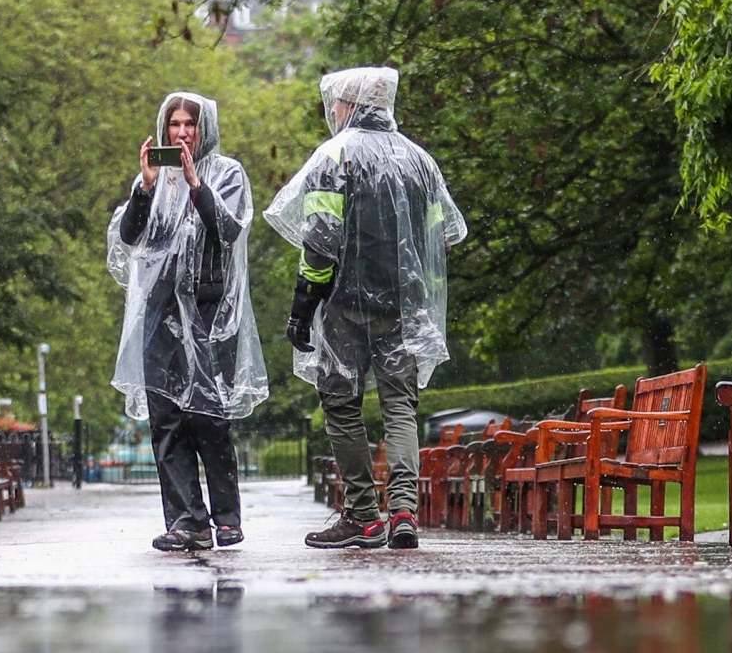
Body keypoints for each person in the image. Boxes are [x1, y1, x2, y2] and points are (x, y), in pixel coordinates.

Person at [264, 66, 466, 550]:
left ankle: (361, 515)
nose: (331, 112)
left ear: (351, 106)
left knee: (341, 405)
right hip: (401, 308)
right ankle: (403, 513)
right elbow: (440, 239)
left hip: (344, 306)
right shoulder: (420, 162)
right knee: (400, 408)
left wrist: (301, 308)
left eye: (335, 104)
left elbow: (320, 243)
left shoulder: (333, 157)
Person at [108, 90, 268, 552]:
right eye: (174, 125)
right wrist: (145, 186)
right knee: (167, 418)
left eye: (190, 125)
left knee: (209, 417)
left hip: (209, 312)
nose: (182, 133)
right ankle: (186, 521)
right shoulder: (155, 180)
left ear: (205, 129)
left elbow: (229, 230)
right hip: (159, 313)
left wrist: (197, 186)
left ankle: (226, 516)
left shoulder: (228, 173)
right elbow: (129, 237)